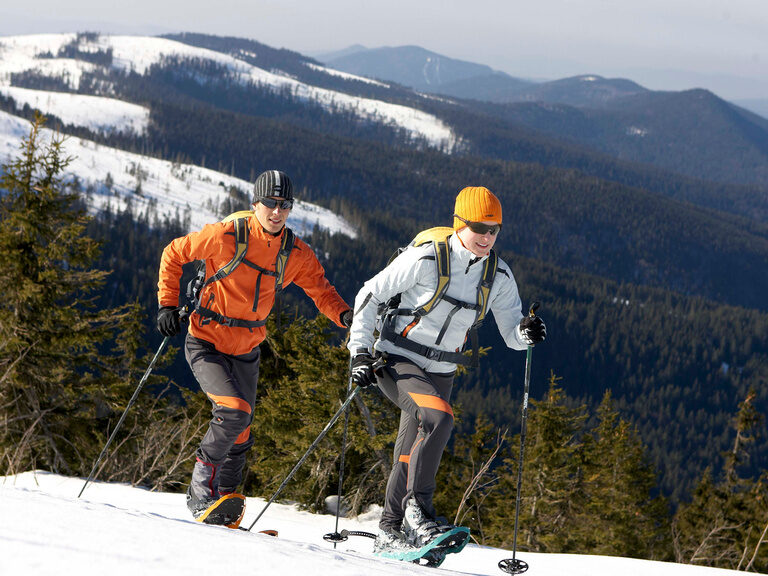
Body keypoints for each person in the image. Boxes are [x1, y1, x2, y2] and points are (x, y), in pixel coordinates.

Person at [346, 186, 546, 555]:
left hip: (441, 370)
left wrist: (526, 332)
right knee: (438, 419)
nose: (487, 237)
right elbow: (369, 295)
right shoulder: (426, 259)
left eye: (494, 230)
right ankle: (418, 512)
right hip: (396, 358)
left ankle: (390, 530)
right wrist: (359, 351)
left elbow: (512, 334)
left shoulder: (498, 276)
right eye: (479, 228)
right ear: (458, 223)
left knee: (410, 449)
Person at [156, 169, 352, 525]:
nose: (277, 212)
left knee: (242, 430)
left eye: (285, 205)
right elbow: (174, 253)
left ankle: (226, 505)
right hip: (206, 341)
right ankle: (201, 493)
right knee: (233, 411)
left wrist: (346, 317)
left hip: (247, 349)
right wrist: (168, 304)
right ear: (255, 203)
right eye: (270, 204)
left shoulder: (295, 253)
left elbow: (321, 291)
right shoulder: (226, 236)